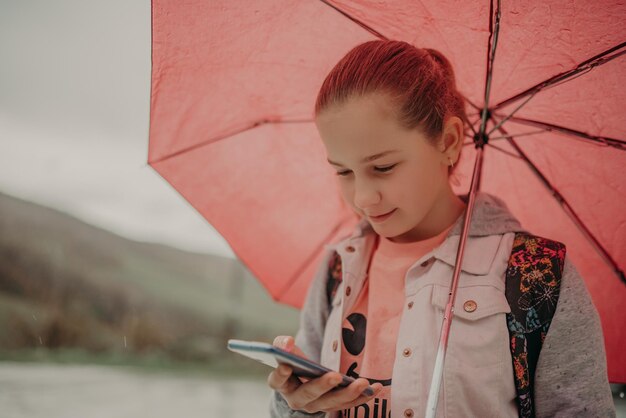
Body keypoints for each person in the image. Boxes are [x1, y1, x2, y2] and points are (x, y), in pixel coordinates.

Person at [267, 40, 615, 418]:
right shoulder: (339, 267)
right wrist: (295, 405)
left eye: (383, 167)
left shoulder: (537, 275)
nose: (364, 198)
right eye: (343, 172)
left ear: (448, 142)